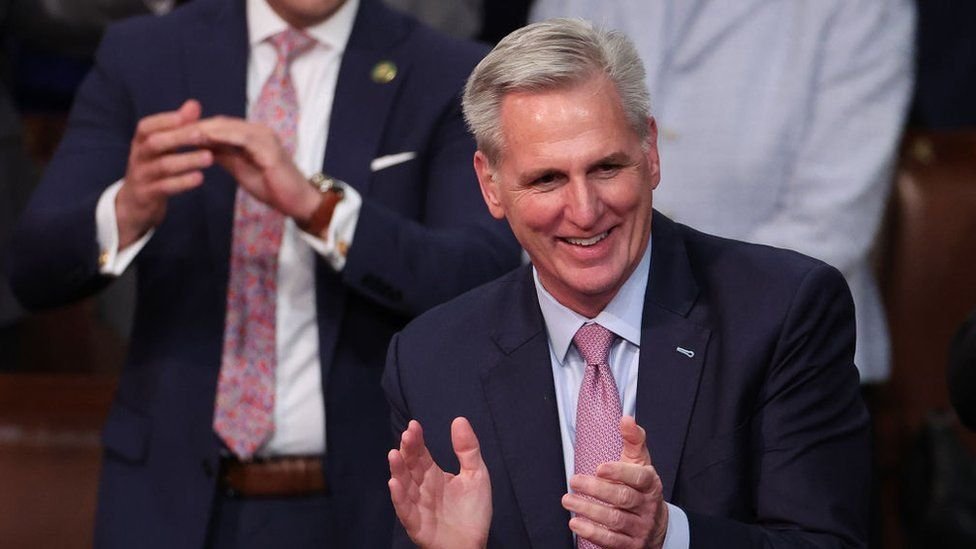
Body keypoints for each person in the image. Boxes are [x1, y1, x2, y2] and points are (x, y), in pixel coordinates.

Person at [6, 0, 520, 547]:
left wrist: (320, 210)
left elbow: (479, 278)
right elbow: (33, 270)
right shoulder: (146, 54)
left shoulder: (443, 69)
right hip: (166, 500)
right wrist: (126, 210)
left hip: (364, 502)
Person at [384, 18, 870, 548]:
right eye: (547, 179)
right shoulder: (432, 360)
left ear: (650, 152)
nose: (585, 210)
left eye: (606, 168)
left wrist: (668, 536)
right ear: (491, 185)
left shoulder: (783, 311)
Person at [528, 0, 915, 386]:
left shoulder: (862, 8)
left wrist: (669, 318)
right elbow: (529, 157)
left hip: (778, 354)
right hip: (574, 345)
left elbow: (829, 221)